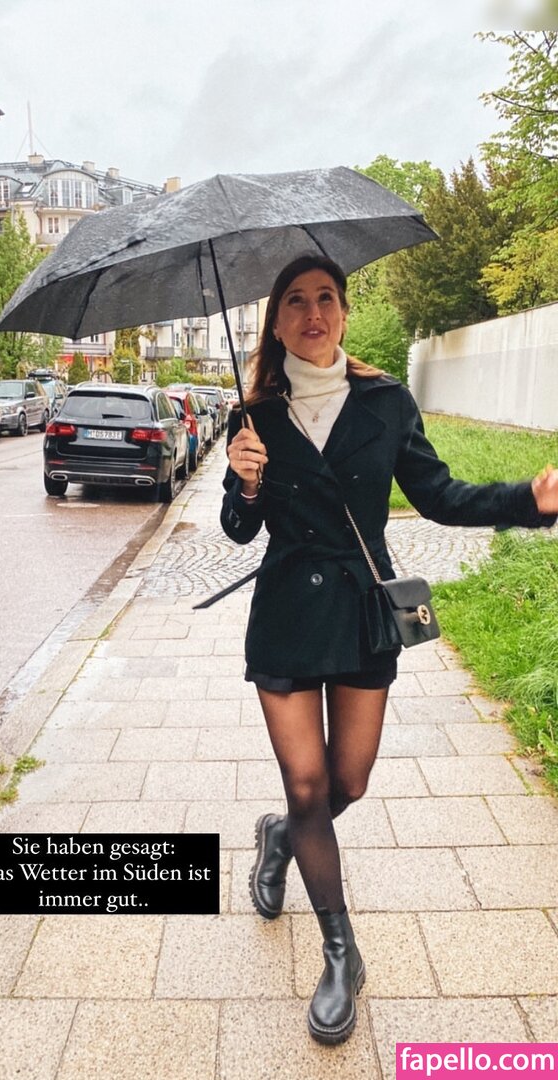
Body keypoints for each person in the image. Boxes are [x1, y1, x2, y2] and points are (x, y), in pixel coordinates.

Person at [220, 253, 558, 1046]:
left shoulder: (386, 400)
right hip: (286, 618)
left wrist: (530, 500)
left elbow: (439, 496)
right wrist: (245, 482)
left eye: (326, 298)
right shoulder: (255, 415)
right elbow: (238, 530)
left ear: (343, 312)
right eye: (295, 301)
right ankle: (341, 953)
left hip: (362, 613)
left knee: (349, 781)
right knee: (308, 786)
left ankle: (280, 836)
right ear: (277, 323)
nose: (313, 313)